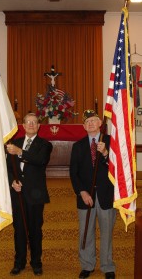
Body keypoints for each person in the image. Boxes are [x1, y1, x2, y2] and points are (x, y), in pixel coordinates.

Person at [70, 110, 116, 279]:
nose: (90, 123)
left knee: (106, 233)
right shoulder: (78, 146)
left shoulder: (111, 142)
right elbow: (73, 172)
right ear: (83, 126)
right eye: (87, 121)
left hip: (106, 195)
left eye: (93, 120)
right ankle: (87, 265)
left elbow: (118, 167)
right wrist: (81, 192)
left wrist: (105, 153)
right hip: (85, 197)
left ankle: (107, 266)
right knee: (86, 232)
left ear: (100, 124)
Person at [6, 112, 53, 276]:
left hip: (35, 195)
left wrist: (20, 152)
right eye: (28, 122)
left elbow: (40, 160)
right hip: (17, 193)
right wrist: (12, 181)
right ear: (23, 126)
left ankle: (36, 262)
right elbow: (8, 168)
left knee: (34, 229)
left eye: (34, 122)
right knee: (18, 229)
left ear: (39, 126)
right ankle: (19, 262)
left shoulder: (45, 144)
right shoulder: (14, 143)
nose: (31, 125)